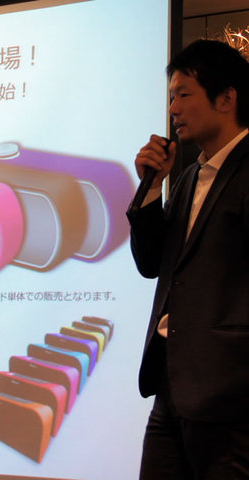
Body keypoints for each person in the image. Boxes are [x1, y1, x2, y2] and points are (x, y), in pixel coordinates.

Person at [128, 39, 249, 479]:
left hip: (230, 396)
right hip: (172, 387)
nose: (173, 109)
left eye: (183, 94)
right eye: (170, 96)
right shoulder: (189, 178)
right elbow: (152, 265)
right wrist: (151, 189)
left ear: (226, 98)